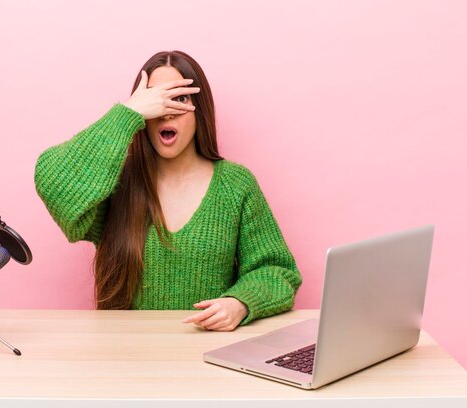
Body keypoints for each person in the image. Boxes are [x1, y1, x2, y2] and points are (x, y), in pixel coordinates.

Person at [35, 50, 301, 331]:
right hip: (122, 358)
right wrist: (127, 114)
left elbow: (277, 270)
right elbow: (52, 180)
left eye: (180, 98)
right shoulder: (116, 183)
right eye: (156, 99)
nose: (166, 111)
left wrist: (240, 302)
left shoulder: (236, 184)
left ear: (201, 109)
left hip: (207, 358)